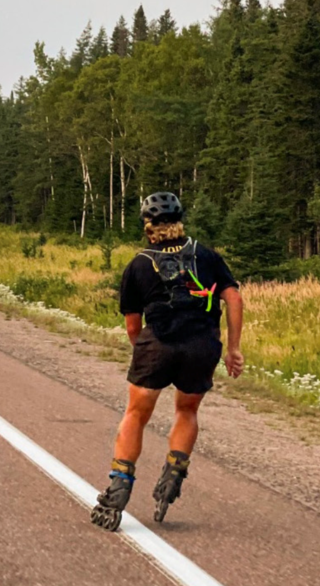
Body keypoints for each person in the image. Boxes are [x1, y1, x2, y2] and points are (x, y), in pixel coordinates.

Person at [90, 191, 244, 531]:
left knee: (136, 414)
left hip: (157, 345)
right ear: (180, 222)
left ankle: (119, 485)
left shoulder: (139, 264)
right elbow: (233, 297)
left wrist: (144, 351)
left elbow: (133, 325)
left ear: (148, 227)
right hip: (202, 346)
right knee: (187, 410)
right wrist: (233, 348)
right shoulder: (206, 255)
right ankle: (174, 472)